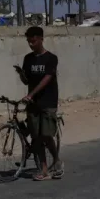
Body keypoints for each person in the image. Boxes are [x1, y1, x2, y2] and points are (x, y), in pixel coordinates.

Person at [13, 26, 63, 181]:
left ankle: (57, 160)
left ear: (41, 39)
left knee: (47, 135)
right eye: (29, 41)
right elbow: (27, 80)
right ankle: (44, 169)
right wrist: (21, 74)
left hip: (48, 101)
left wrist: (31, 94)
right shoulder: (28, 59)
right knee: (36, 137)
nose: (31, 44)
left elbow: (47, 79)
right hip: (33, 104)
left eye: (33, 41)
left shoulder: (51, 58)